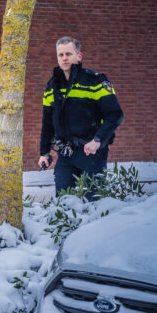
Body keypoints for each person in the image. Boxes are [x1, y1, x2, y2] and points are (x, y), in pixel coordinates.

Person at [38, 36, 123, 198]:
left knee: (95, 202)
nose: (64, 58)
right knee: (64, 203)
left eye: (68, 54)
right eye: (60, 55)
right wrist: (44, 152)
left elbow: (115, 114)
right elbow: (47, 123)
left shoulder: (96, 81)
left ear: (79, 56)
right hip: (65, 153)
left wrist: (98, 140)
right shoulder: (52, 86)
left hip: (91, 152)